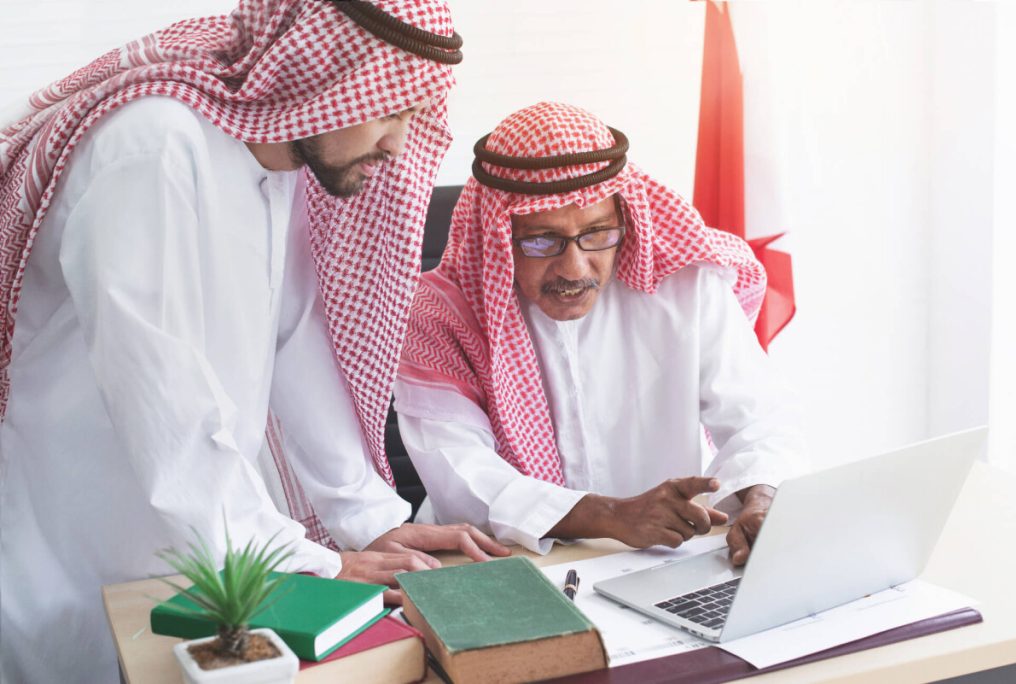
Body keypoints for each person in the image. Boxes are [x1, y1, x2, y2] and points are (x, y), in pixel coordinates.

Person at [0, 2, 508, 681]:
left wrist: (366, 519)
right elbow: (160, 393)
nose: (396, 145)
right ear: (319, 75)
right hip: (80, 532)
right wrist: (298, 559)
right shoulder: (156, 146)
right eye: (390, 110)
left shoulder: (276, 162)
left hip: (210, 533)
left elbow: (295, 345)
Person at [396, 102, 805, 562]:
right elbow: (459, 474)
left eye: (596, 234)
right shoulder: (440, 314)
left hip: (660, 558)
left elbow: (760, 419)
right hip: (499, 560)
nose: (574, 268)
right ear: (498, 235)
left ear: (624, 220)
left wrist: (762, 498)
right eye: (542, 240)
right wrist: (611, 515)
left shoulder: (687, 286)